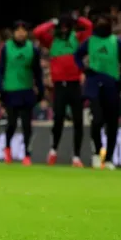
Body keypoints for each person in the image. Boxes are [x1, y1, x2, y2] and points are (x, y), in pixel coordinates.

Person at [33, 12, 92, 167]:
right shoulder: (52, 41)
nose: (65, 29)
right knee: (58, 120)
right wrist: (53, 22)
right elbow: (37, 32)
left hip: (74, 85)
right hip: (59, 86)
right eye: (62, 26)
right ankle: (53, 151)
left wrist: (76, 19)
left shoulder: (76, 38)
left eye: (67, 26)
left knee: (78, 121)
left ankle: (77, 157)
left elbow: (89, 27)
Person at [74, 14, 121, 170]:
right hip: (93, 84)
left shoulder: (116, 42)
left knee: (112, 124)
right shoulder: (90, 41)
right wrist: (84, 69)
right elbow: (77, 55)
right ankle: (98, 152)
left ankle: (109, 158)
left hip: (112, 85)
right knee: (97, 119)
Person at [0, 21, 45, 166]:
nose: (21, 33)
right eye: (18, 30)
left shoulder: (32, 49)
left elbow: (37, 72)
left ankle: (27, 154)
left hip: (27, 90)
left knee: (27, 124)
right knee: (12, 123)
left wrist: (40, 90)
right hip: (10, 91)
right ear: (14, 32)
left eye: (24, 30)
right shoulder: (5, 48)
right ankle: (7, 148)